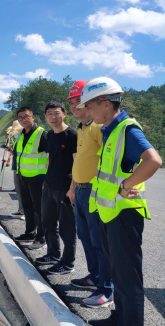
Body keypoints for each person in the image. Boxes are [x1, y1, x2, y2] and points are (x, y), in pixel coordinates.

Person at [78, 77, 162, 326]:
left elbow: (154, 161)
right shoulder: (109, 129)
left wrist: (125, 186)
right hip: (109, 214)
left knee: (128, 278)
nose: (86, 111)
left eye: (89, 106)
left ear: (105, 103)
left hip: (124, 216)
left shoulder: (127, 128)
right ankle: (119, 318)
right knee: (117, 272)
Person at [67, 80, 114, 308]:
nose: (74, 108)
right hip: (81, 191)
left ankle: (106, 288)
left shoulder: (97, 127)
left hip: (94, 192)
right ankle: (94, 276)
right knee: (85, 237)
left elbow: (108, 159)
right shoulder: (82, 128)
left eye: (78, 102)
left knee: (100, 242)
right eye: (72, 104)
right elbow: (80, 161)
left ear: (89, 104)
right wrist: (73, 187)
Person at [36, 101, 77, 272]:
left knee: (67, 228)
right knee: (48, 223)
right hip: (49, 186)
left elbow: (78, 163)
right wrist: (46, 182)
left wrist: (73, 188)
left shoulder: (72, 135)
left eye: (57, 113)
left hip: (65, 188)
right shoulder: (49, 136)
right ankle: (53, 254)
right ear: (45, 116)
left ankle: (68, 263)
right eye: (49, 113)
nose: (53, 117)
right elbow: (49, 159)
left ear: (64, 113)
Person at [9, 107, 48, 248]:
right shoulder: (21, 134)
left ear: (33, 117)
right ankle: (30, 232)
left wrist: (47, 178)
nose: (23, 119)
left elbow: (51, 156)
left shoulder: (41, 134)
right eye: (20, 117)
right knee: (27, 206)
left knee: (39, 208)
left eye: (26, 116)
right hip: (23, 176)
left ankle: (41, 237)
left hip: (38, 177)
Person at [8, 121, 25, 220]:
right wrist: (10, 150)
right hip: (17, 167)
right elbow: (16, 154)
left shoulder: (22, 140)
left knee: (22, 191)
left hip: (21, 169)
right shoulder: (17, 141)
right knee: (19, 190)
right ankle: (21, 210)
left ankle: (23, 211)